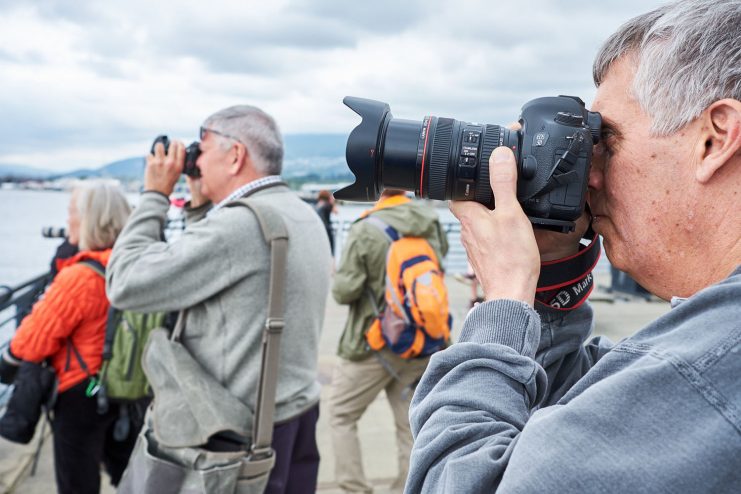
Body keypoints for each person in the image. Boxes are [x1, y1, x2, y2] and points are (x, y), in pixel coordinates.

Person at [406, 0, 741, 492]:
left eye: (608, 143)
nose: (590, 177)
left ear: (714, 140)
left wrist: (504, 298)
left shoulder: (708, 368)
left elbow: (457, 483)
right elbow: (571, 410)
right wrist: (550, 275)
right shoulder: (707, 347)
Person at [105, 105, 332, 493]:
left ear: (235, 155)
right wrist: (198, 209)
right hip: (294, 416)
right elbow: (228, 285)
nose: (195, 161)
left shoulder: (238, 225)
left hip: (236, 439)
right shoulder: (300, 212)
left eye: (203, 149)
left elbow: (125, 282)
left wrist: (154, 195)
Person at [2, 180, 135, 494]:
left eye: (73, 212)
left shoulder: (80, 277)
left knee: (77, 481)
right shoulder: (131, 266)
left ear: (90, 219)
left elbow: (30, 342)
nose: (68, 220)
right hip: (125, 385)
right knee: (128, 472)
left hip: (83, 390)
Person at [330, 190, 448, 493]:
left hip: (371, 343)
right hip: (421, 340)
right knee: (409, 422)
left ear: (375, 190)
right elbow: (440, 264)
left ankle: (355, 489)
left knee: (342, 415)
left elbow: (344, 291)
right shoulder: (430, 219)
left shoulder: (365, 228)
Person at [315, 189, 338, 255]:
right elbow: (336, 212)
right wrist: (332, 202)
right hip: (327, 229)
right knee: (330, 250)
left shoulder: (317, 205)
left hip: (318, 229)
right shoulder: (327, 205)